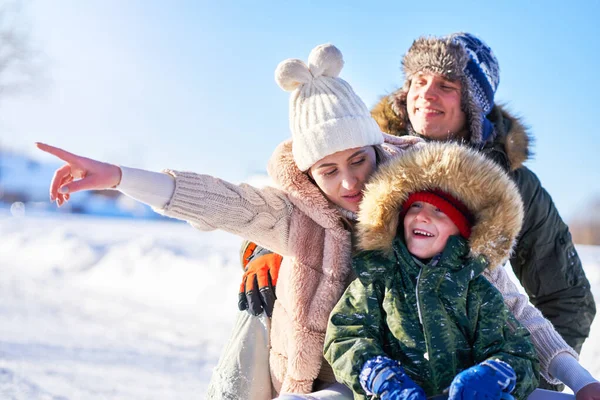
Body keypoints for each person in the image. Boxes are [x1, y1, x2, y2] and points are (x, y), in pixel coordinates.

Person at [36, 44, 420, 399]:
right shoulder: (296, 216)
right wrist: (120, 176)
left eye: (358, 160)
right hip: (317, 378)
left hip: (401, 376)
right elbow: (219, 200)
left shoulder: (419, 200)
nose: (349, 182)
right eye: (328, 170)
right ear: (308, 175)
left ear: (376, 149)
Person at [240, 33, 600, 398]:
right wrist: (264, 249)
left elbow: (562, 296)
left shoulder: (510, 186)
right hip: (352, 353)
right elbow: (297, 191)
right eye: (418, 81)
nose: (426, 94)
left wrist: (520, 379)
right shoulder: (369, 145)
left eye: (446, 85)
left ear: (473, 103)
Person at [324, 141, 540, 400]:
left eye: (439, 211)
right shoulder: (378, 279)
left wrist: (493, 374)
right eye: (415, 206)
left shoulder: (477, 291)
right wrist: (380, 376)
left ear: (461, 230)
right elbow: (345, 336)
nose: (422, 216)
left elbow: (518, 351)